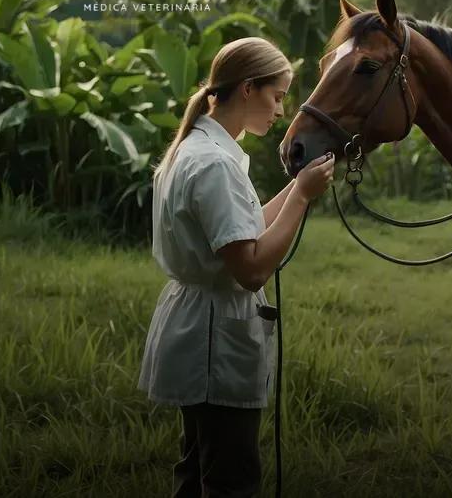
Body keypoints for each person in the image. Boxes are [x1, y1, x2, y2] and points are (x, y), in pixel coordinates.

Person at [138, 37, 336, 497]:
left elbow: (243, 231)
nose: (281, 110)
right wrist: (303, 197)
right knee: (231, 479)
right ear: (248, 89)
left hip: (198, 326)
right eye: (278, 96)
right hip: (214, 338)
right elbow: (249, 269)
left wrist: (297, 187)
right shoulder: (214, 164)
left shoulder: (201, 148)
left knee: (197, 467)